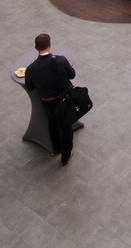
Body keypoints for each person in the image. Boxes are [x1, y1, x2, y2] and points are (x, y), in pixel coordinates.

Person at [23, 33, 77, 165]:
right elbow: (72, 75)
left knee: (52, 124)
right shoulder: (61, 60)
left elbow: (30, 87)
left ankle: (56, 148)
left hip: (48, 102)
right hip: (64, 99)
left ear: (36, 47)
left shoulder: (31, 69)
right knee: (66, 126)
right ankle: (66, 156)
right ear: (50, 45)